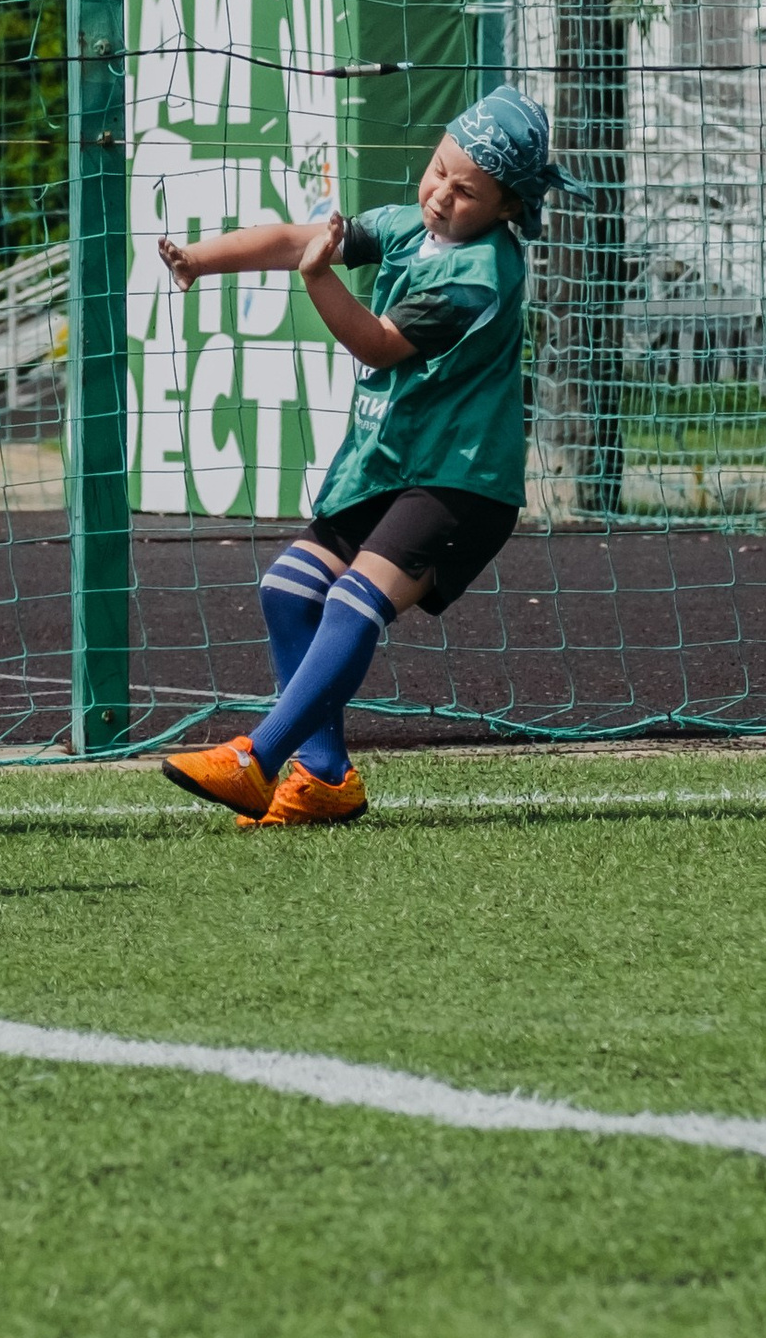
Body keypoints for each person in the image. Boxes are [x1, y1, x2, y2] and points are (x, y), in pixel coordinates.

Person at [157, 86, 567, 827]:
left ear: (508, 208)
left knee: (351, 601)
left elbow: (376, 341)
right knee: (288, 590)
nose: (441, 194)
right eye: (440, 168)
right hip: (391, 464)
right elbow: (295, 238)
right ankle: (325, 774)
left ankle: (259, 757)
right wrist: (198, 260)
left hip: (459, 482)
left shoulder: (481, 275)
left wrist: (319, 278)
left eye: (467, 190)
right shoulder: (411, 226)